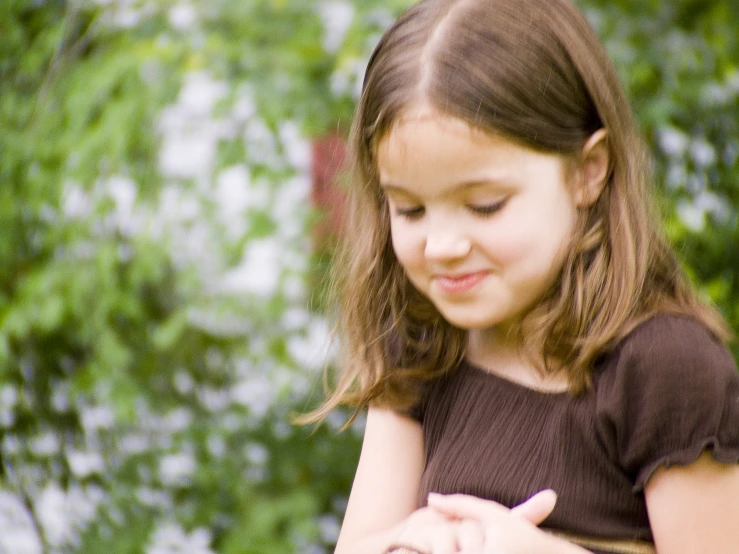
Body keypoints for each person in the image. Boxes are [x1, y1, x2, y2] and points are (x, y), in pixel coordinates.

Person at [302, 0, 739, 552]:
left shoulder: (664, 368)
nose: (442, 246)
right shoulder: (421, 335)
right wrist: (411, 540)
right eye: (410, 210)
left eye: (485, 206)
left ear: (587, 172)